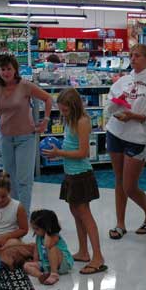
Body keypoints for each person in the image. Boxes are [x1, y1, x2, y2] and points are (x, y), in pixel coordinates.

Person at [40, 88, 106, 275]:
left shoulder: (82, 122)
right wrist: (58, 155)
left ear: (74, 107)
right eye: (61, 110)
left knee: (85, 214)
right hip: (70, 173)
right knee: (75, 212)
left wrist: (59, 153)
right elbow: (71, 146)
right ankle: (84, 251)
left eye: (66, 110)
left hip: (81, 175)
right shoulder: (69, 121)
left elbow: (83, 153)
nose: (63, 113)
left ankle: (98, 256)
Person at [104, 43, 146, 239]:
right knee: (119, 181)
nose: (133, 59)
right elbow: (109, 107)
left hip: (137, 138)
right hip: (115, 132)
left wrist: (134, 116)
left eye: (137, 55)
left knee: (130, 185)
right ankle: (120, 224)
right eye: (131, 55)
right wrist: (115, 105)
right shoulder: (123, 80)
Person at [0, 54, 54, 212]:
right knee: (9, 179)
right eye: (2, 69)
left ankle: (24, 215)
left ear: (15, 69)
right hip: (5, 137)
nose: (6, 72)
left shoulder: (25, 85)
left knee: (24, 180)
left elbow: (48, 99)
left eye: (9, 69)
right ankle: (13, 212)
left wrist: (45, 120)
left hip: (26, 138)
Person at [23, 209, 74, 286]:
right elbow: (36, 250)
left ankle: (54, 274)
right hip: (46, 264)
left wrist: (48, 232)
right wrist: (35, 261)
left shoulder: (54, 236)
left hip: (62, 264)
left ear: (46, 228)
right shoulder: (39, 236)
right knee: (26, 266)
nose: (35, 231)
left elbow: (48, 245)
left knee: (52, 248)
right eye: (34, 229)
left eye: (37, 229)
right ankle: (41, 275)